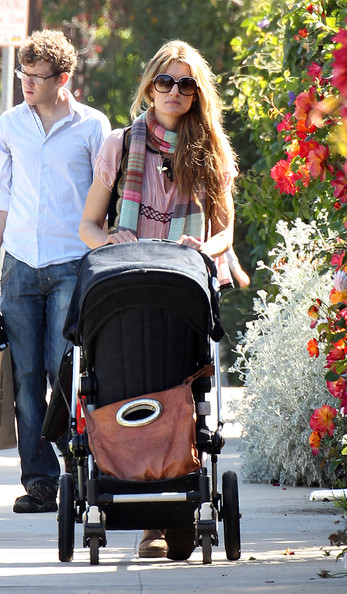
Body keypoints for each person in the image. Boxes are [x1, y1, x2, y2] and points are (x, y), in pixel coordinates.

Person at [79, 39, 237, 559]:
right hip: (127, 287)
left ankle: (169, 517)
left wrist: (200, 247)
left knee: (182, 391)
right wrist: (113, 241)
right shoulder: (120, 146)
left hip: (184, 289)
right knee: (133, 383)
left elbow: (224, 235)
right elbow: (88, 227)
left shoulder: (209, 151)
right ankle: (152, 521)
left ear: (196, 94)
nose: (174, 91)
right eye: (165, 81)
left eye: (186, 84)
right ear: (150, 85)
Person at [0, 29, 111, 514]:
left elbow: (103, 201)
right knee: (25, 377)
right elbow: (2, 199)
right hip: (19, 263)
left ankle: (80, 470)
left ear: (62, 78)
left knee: (63, 371)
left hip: (71, 263)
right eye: (23, 74)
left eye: (36, 76)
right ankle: (41, 482)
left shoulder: (93, 127)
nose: (26, 82)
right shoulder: (8, 125)